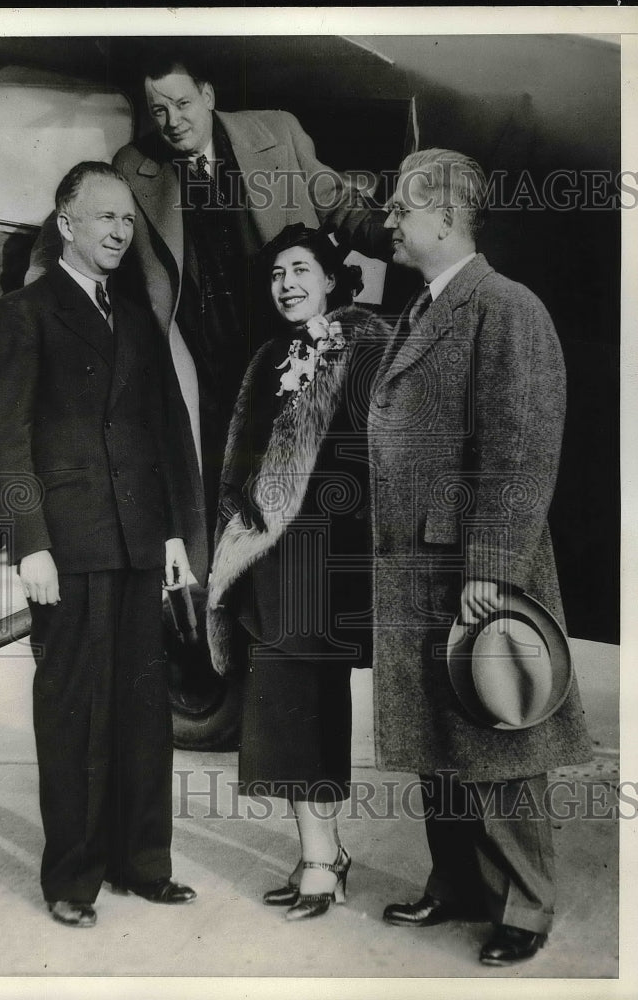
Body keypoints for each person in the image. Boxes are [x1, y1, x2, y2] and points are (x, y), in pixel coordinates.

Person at [369, 149, 593, 964]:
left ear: (444, 216)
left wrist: (490, 567)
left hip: (471, 565)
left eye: (400, 207)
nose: (388, 220)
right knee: (442, 734)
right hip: (420, 563)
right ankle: (458, 882)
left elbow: (521, 447)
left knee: (498, 730)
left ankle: (525, 907)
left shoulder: (505, 307)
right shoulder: (426, 308)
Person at [27, 50, 388, 555]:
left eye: (182, 103)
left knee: (304, 478)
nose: (173, 122)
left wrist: (398, 238)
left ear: (209, 96)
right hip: (202, 354)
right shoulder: (135, 166)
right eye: (159, 111)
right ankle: (224, 604)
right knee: (221, 482)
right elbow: (64, 228)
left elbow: (340, 203)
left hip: (284, 339)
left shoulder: (278, 133)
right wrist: (40, 300)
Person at [0, 161, 205, 928]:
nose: (118, 231)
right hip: (67, 547)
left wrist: (176, 533)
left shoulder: (138, 318)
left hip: (142, 542)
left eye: (127, 220)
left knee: (143, 714)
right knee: (73, 712)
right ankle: (71, 879)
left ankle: (142, 864)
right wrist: (29, 542)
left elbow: (166, 432)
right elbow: (3, 441)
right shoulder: (24, 313)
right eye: (103, 217)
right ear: (66, 223)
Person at [206, 223, 391, 921]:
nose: (285, 283)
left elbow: (387, 452)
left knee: (310, 706)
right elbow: (241, 461)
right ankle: (321, 853)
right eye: (276, 273)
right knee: (280, 710)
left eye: (299, 269)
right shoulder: (267, 359)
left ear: (330, 278)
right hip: (272, 558)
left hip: (332, 558)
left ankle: (322, 860)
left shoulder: (368, 343)